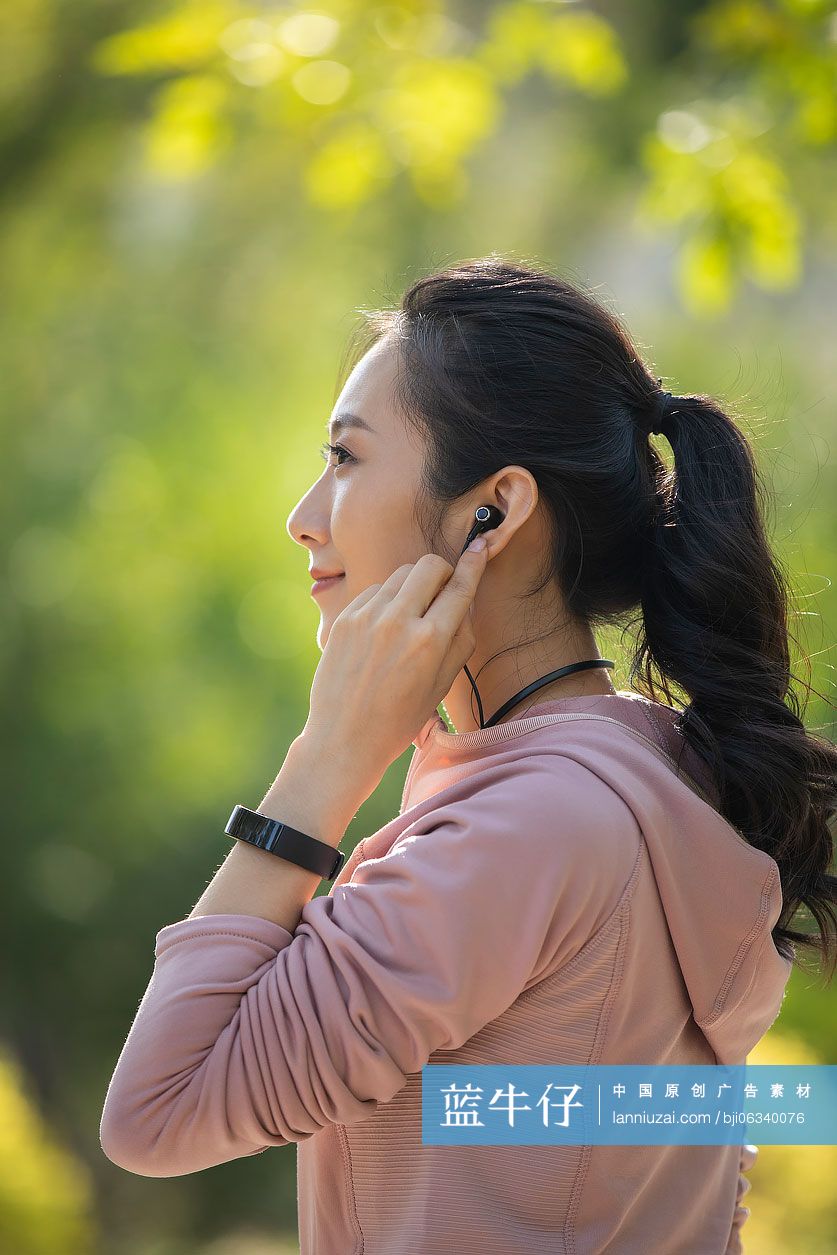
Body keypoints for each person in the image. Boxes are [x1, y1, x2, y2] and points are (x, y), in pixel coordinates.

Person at [99, 256, 837, 1253]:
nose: (305, 515)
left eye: (348, 458)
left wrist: (326, 760)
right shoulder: (666, 780)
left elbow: (159, 1111)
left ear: (493, 510)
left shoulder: (523, 832)